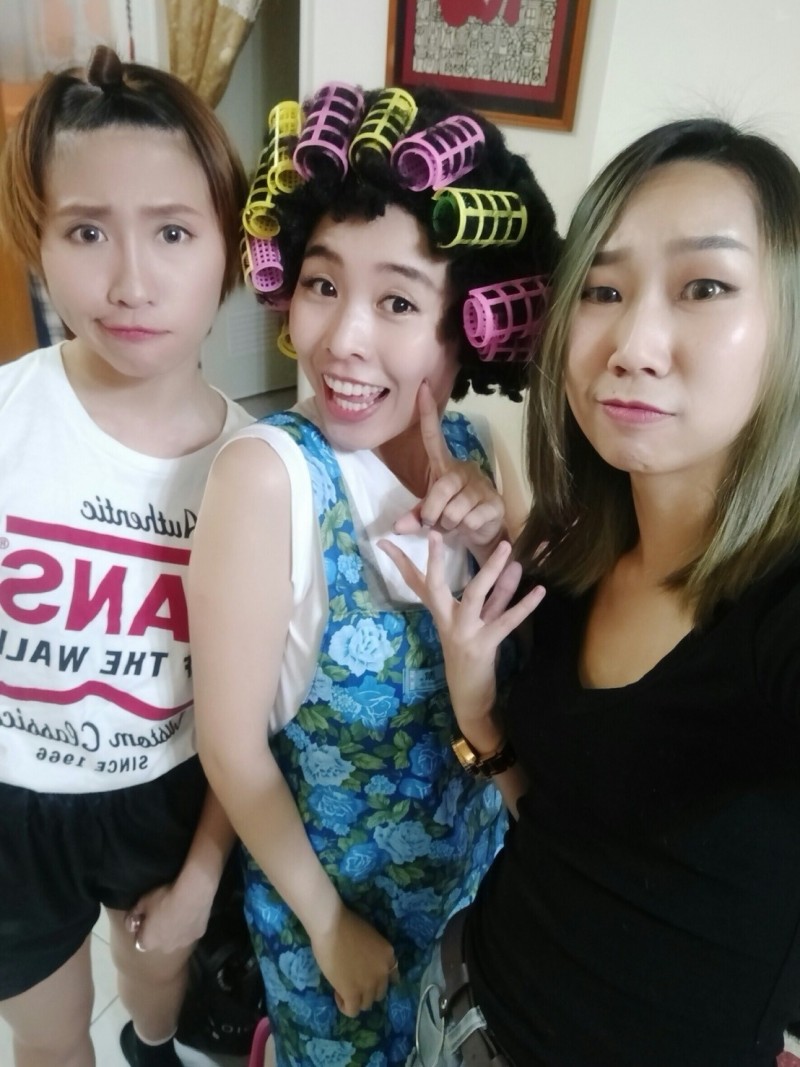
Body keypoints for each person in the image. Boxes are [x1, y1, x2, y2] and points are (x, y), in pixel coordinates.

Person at [382, 115, 800, 1067]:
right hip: (460, 1008)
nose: (634, 343)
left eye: (704, 287)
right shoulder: (573, 549)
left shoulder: (779, 612)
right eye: (604, 290)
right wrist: (479, 712)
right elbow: (563, 819)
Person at [187, 82, 560, 1066]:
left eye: (396, 300)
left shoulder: (476, 446)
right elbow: (230, 744)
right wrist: (323, 922)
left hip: (472, 909)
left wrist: (504, 532)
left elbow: (528, 657)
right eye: (322, 284)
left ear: (468, 321)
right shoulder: (267, 478)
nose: (342, 338)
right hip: (333, 933)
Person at [0, 45, 253, 1067]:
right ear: (40, 242)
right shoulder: (9, 418)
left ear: (227, 247)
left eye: (173, 231)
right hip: (12, 805)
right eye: (88, 230)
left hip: (169, 794)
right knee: (50, 1039)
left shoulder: (258, 467)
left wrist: (205, 870)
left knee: (156, 1000)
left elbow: (252, 709)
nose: (132, 280)